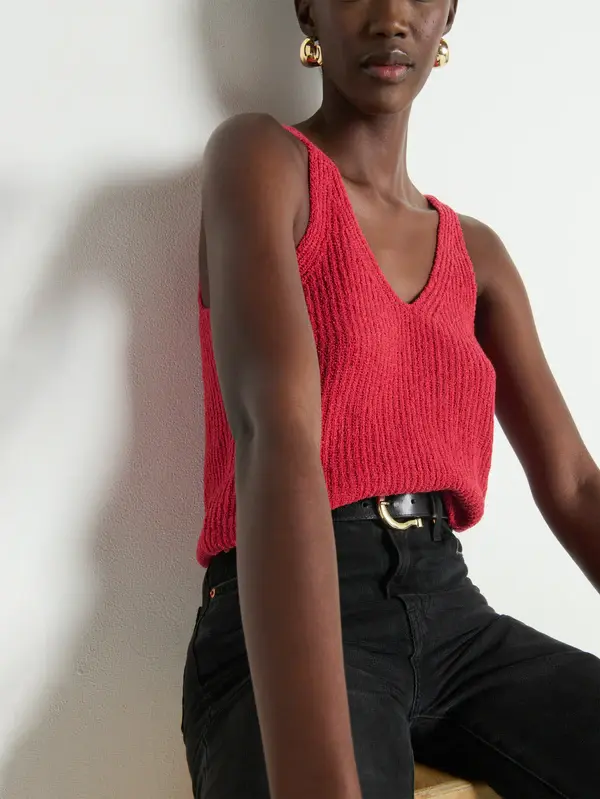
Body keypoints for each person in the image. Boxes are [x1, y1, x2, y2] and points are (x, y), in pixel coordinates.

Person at [181, 1, 600, 797]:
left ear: (449, 15)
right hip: (290, 602)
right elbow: (276, 435)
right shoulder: (261, 160)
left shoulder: (477, 254)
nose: (392, 16)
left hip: (453, 615)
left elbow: (576, 484)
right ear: (308, 7)